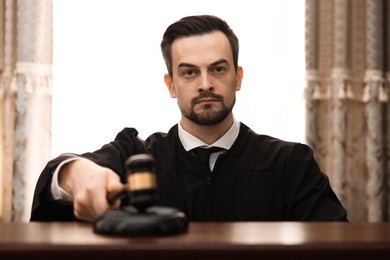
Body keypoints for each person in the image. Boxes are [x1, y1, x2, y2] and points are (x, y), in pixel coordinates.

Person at [30, 15, 348, 222]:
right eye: (189, 72)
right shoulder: (136, 156)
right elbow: (57, 180)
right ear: (171, 84)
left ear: (238, 78)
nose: (205, 83)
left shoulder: (290, 163)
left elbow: (335, 245)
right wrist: (78, 174)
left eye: (218, 69)